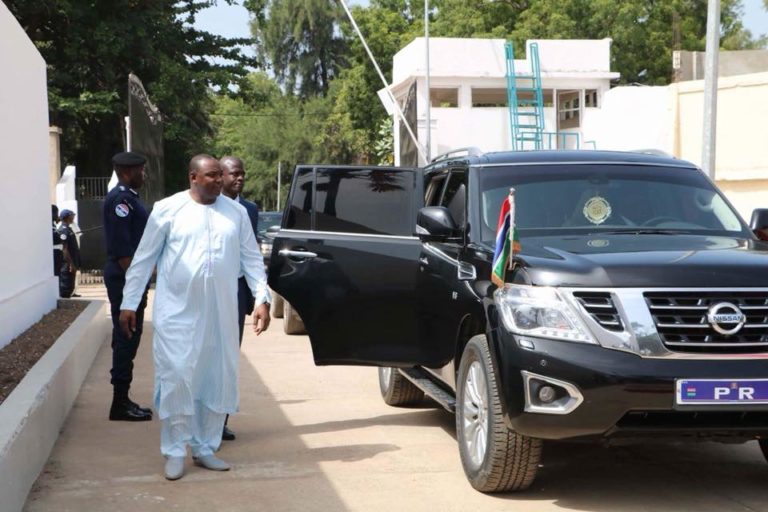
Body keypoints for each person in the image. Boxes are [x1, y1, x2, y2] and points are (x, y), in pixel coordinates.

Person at [119, 154, 271, 481]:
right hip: (177, 312)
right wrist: (129, 302)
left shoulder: (237, 213)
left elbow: (251, 258)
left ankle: (204, 448)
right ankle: (175, 450)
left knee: (215, 377)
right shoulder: (167, 210)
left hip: (220, 312)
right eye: (212, 176)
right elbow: (144, 259)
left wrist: (262, 297)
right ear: (193, 177)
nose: (220, 181)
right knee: (176, 375)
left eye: (221, 175)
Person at [103, 151, 153, 422]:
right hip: (125, 278)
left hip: (130, 278)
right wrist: (136, 283)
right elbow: (123, 251)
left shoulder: (129, 198)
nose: (143, 176)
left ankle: (123, 398)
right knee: (126, 336)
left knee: (128, 338)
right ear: (127, 172)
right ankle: (119, 404)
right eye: (140, 171)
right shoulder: (121, 200)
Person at [219, 155, 259, 442]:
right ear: (220, 176)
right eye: (234, 174)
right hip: (209, 293)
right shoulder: (208, 207)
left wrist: (259, 297)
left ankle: (221, 422)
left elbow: (252, 255)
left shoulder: (249, 209)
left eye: (242, 174)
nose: (240, 178)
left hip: (236, 293)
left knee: (230, 358)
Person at [57, 209, 81, 298]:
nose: (74, 216)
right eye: (72, 215)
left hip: (71, 263)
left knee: (70, 286)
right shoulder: (64, 230)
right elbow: (64, 249)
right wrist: (70, 264)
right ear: (67, 217)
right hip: (67, 265)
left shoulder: (68, 228)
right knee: (66, 288)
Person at [52, 205, 64, 277]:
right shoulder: (49, 224)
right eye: (56, 213)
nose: (57, 215)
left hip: (57, 255)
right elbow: (55, 237)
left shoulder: (53, 224)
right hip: (54, 254)